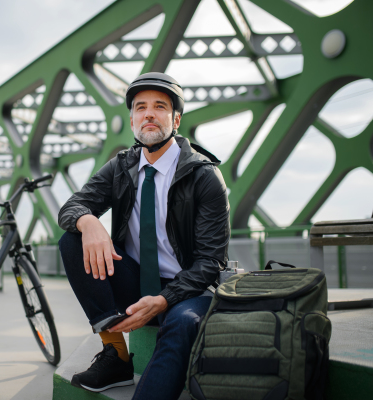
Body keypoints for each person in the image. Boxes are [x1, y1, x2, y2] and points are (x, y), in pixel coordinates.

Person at [57, 72, 230, 399]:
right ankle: (116, 355)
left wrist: (164, 299)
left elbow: (211, 262)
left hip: (189, 289)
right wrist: (89, 222)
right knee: (72, 239)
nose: (148, 113)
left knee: (178, 327)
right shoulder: (121, 166)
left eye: (159, 107)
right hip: (135, 281)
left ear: (175, 119)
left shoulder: (204, 176)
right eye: (140, 107)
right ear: (133, 118)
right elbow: (73, 206)